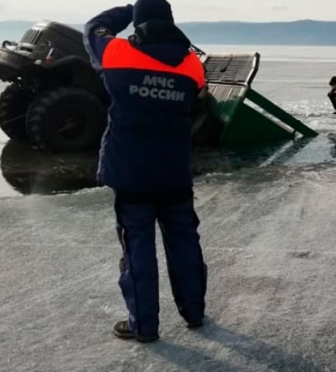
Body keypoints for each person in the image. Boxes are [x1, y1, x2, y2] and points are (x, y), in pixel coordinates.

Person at [84, 0, 209, 342]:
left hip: (130, 170)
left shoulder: (115, 52)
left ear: (139, 23)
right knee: (184, 241)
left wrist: (129, 10)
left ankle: (144, 325)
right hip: (174, 171)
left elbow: (93, 27)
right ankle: (194, 312)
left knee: (137, 246)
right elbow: (197, 104)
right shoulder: (192, 65)